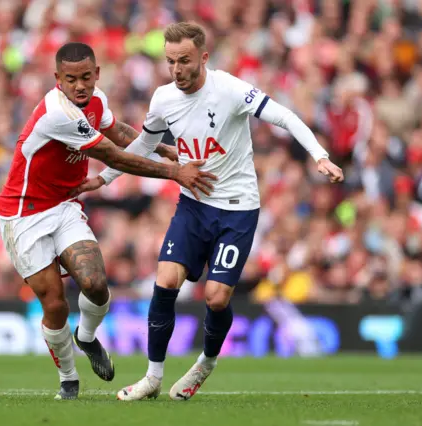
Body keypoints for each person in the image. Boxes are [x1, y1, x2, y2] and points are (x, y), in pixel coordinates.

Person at [76, 22, 344, 401]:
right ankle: (152, 377)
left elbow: (284, 116)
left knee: (216, 298)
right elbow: (142, 146)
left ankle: (207, 361)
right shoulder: (163, 99)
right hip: (194, 205)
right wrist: (103, 179)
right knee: (166, 279)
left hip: (237, 209)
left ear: (203, 57)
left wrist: (320, 156)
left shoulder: (230, 90)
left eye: (184, 60)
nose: (177, 69)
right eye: (170, 62)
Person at [0, 42, 216, 400]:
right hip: (23, 213)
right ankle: (68, 378)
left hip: (64, 205)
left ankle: (86, 336)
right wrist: (175, 171)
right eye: (71, 79)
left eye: (86, 77)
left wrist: (165, 148)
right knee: (54, 303)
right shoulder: (58, 113)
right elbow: (115, 156)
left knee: (96, 283)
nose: (80, 85)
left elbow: (121, 134)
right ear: (58, 80)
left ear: (97, 74)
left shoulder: (96, 100)